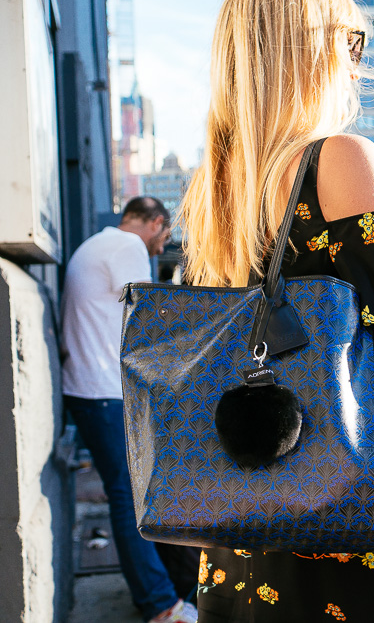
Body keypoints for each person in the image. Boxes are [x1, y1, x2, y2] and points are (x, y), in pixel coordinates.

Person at [178, 0, 374, 621]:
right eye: (352, 43)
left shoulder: (216, 188)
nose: (355, 64)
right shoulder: (339, 158)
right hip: (350, 496)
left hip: (248, 513)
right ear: (313, 50)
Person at [62, 197, 195, 623]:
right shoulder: (128, 248)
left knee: (129, 494)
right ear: (155, 223)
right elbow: (153, 321)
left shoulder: (96, 243)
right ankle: (161, 606)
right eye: (166, 237)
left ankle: (162, 595)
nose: (162, 247)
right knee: (131, 499)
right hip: (103, 391)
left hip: (87, 390)